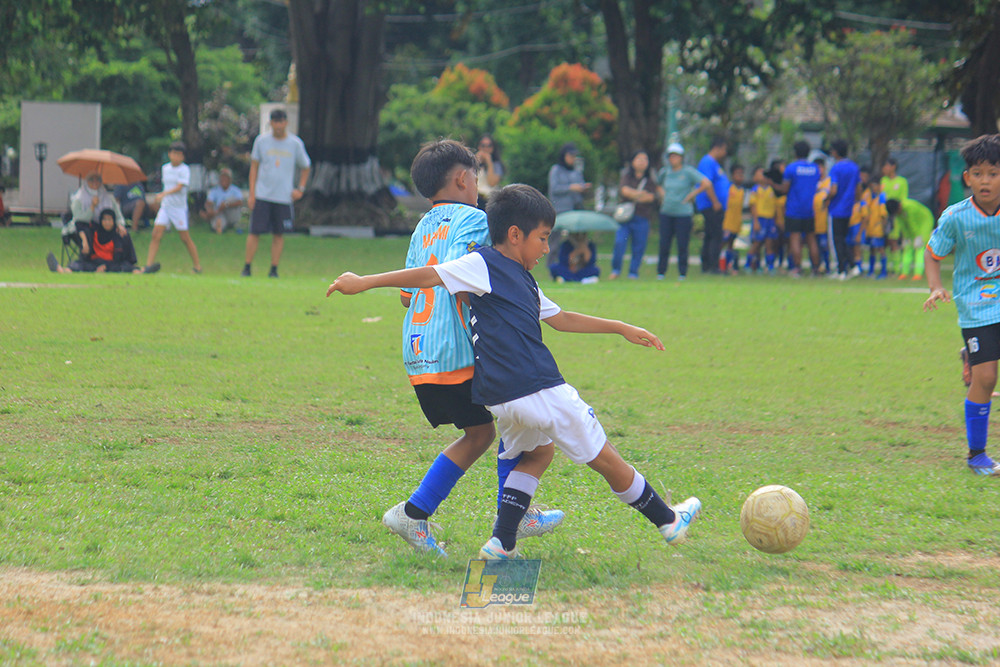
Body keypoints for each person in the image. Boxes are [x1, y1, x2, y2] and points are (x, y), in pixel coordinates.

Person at [326, 183, 702, 560]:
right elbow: (427, 275)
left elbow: (563, 319)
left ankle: (502, 540)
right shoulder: (482, 264)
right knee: (605, 456)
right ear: (515, 234)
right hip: (538, 387)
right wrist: (364, 282)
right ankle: (668, 520)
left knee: (537, 454)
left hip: (502, 397)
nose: (547, 248)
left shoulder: (524, 279)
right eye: (543, 238)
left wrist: (620, 327)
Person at [376, 140, 563, 556]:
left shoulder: (422, 227)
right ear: (463, 178)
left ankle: (423, 512)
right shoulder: (478, 221)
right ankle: (505, 515)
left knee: (481, 432)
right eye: (476, 176)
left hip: (422, 352)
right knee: (511, 423)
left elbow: (408, 295)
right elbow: (478, 282)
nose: (478, 184)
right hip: (463, 350)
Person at [924, 133, 1000, 476]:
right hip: (976, 306)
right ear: (967, 177)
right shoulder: (956, 216)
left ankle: (973, 355)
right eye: (979, 173)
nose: (986, 180)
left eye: (994, 173)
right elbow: (933, 253)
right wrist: (936, 286)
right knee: (986, 379)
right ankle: (977, 456)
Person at [242, 108, 311, 278]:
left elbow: (306, 166)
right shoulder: (261, 141)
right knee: (254, 232)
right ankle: (247, 267)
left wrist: (300, 189)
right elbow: (254, 167)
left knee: (279, 234)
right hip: (263, 195)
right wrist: (252, 193)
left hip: (283, 197)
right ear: (270, 123)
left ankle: (274, 269)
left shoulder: (295, 144)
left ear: (286, 123)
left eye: (281, 122)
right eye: (275, 122)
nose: (278, 125)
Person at [656, 142, 713, 281]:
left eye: (675, 156)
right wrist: (663, 197)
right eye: (671, 156)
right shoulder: (665, 172)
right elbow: (658, 185)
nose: (673, 159)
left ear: (681, 157)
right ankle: (661, 272)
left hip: (683, 213)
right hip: (667, 212)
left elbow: (706, 183)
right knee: (664, 243)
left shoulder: (688, 172)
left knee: (682, 244)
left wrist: (692, 195)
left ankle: (682, 272)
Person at [143, 141, 202, 274]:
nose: (176, 156)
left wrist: (164, 194)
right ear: (169, 154)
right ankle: (148, 265)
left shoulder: (184, 169)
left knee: (185, 238)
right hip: (166, 207)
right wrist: (162, 198)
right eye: (174, 153)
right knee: (156, 234)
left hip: (179, 208)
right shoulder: (166, 168)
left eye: (179, 154)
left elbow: (180, 186)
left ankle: (197, 266)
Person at [46, 208, 153, 274]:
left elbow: (129, 258)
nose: (107, 223)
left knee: (126, 267)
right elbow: (79, 225)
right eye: (104, 219)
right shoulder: (94, 232)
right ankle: (61, 270)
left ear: (114, 221)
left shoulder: (120, 235)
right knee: (79, 265)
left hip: (113, 264)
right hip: (94, 263)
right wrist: (84, 241)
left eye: (109, 220)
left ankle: (142, 271)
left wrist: (106, 267)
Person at [773, 141, 821, 277]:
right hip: (809, 209)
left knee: (795, 238)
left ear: (795, 152)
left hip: (794, 209)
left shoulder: (791, 168)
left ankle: (797, 268)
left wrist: (773, 184)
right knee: (811, 239)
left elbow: (785, 189)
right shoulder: (815, 168)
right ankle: (815, 269)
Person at [611, 150, 657, 280]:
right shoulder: (627, 176)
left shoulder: (650, 179)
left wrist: (634, 194)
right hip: (625, 217)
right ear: (633, 161)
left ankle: (633, 272)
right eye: (639, 158)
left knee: (639, 246)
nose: (642, 162)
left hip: (642, 217)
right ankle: (616, 269)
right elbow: (624, 191)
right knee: (620, 242)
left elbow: (651, 197)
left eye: (645, 159)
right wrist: (641, 194)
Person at [827, 140, 861, 280]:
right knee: (844, 238)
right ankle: (852, 266)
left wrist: (826, 199)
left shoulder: (835, 168)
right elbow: (858, 188)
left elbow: (833, 189)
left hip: (836, 209)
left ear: (835, 152)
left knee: (837, 239)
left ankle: (841, 270)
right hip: (848, 208)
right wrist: (856, 201)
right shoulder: (854, 167)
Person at [696, 137, 729, 275]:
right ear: (718, 148)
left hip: (714, 204)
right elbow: (706, 183)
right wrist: (715, 201)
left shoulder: (714, 163)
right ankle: (713, 266)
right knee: (716, 235)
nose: (725, 153)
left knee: (710, 234)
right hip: (711, 205)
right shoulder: (707, 162)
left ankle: (707, 265)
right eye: (724, 150)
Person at [887, 197, 935, 280]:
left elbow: (913, 224)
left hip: (924, 222)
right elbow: (903, 225)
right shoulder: (898, 212)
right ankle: (904, 273)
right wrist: (906, 237)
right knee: (907, 248)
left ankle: (918, 273)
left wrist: (917, 237)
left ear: (899, 206)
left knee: (919, 247)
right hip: (915, 226)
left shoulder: (909, 207)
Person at [69, 172, 127, 237]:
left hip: (105, 229)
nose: (95, 182)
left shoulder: (109, 198)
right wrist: (92, 206)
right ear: (86, 181)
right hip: (85, 231)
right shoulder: (78, 198)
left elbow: (118, 216)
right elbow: (80, 220)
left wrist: (120, 225)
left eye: (98, 180)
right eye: (91, 180)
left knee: (124, 235)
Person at [747, 166, 780, 274]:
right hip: (760, 219)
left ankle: (770, 266)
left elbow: (775, 206)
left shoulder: (772, 189)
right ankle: (749, 264)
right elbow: (753, 206)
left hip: (770, 220)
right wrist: (756, 221)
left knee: (769, 243)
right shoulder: (755, 189)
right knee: (757, 243)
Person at [881, 157, 909, 272]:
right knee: (883, 241)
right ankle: (886, 266)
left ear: (893, 167)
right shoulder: (883, 181)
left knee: (894, 240)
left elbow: (904, 198)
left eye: (887, 166)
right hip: (883, 215)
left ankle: (897, 268)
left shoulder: (901, 181)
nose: (884, 169)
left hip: (895, 215)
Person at [547, 143, 590, 214]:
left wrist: (583, 188)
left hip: (576, 210)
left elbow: (580, 185)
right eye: (571, 156)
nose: (573, 159)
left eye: (574, 156)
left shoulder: (576, 171)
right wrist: (570, 187)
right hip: (561, 210)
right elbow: (554, 189)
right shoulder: (556, 170)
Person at [721, 164, 746, 273]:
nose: (740, 177)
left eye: (741, 175)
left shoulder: (742, 190)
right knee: (723, 243)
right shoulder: (729, 188)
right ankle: (720, 264)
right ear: (732, 176)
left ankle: (729, 264)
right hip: (727, 222)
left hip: (736, 222)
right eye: (737, 175)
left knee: (731, 244)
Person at [203, 167, 244, 234]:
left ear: (230, 179)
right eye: (222, 177)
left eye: (226, 177)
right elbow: (209, 202)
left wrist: (226, 204)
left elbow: (240, 202)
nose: (223, 179)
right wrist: (209, 210)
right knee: (217, 219)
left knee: (230, 199)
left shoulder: (235, 190)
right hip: (219, 213)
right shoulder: (215, 190)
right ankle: (219, 226)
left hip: (231, 213)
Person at [861, 180, 888, 279]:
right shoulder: (869, 196)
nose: (874, 188)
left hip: (878, 228)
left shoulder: (881, 197)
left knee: (880, 249)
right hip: (870, 228)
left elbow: (883, 214)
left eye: (875, 186)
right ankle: (871, 271)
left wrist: (884, 227)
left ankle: (883, 271)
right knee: (872, 249)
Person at [813, 158, 832, 275]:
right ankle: (816, 267)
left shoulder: (829, 183)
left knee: (825, 245)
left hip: (825, 221)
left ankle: (828, 267)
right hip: (813, 220)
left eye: (820, 168)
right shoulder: (811, 182)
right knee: (815, 246)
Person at [475, 134, 504, 209]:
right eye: (483, 145)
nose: (486, 149)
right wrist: (475, 161)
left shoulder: (496, 165)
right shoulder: (475, 162)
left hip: (488, 200)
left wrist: (489, 163)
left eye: (489, 146)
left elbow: (491, 183)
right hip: (476, 199)